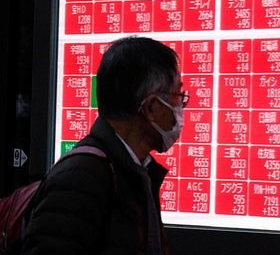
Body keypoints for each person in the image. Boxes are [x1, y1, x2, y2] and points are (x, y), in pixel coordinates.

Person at [22, 36, 187, 255]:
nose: (181, 105)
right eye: (178, 95)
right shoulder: (81, 178)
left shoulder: (135, 171)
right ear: (151, 107)